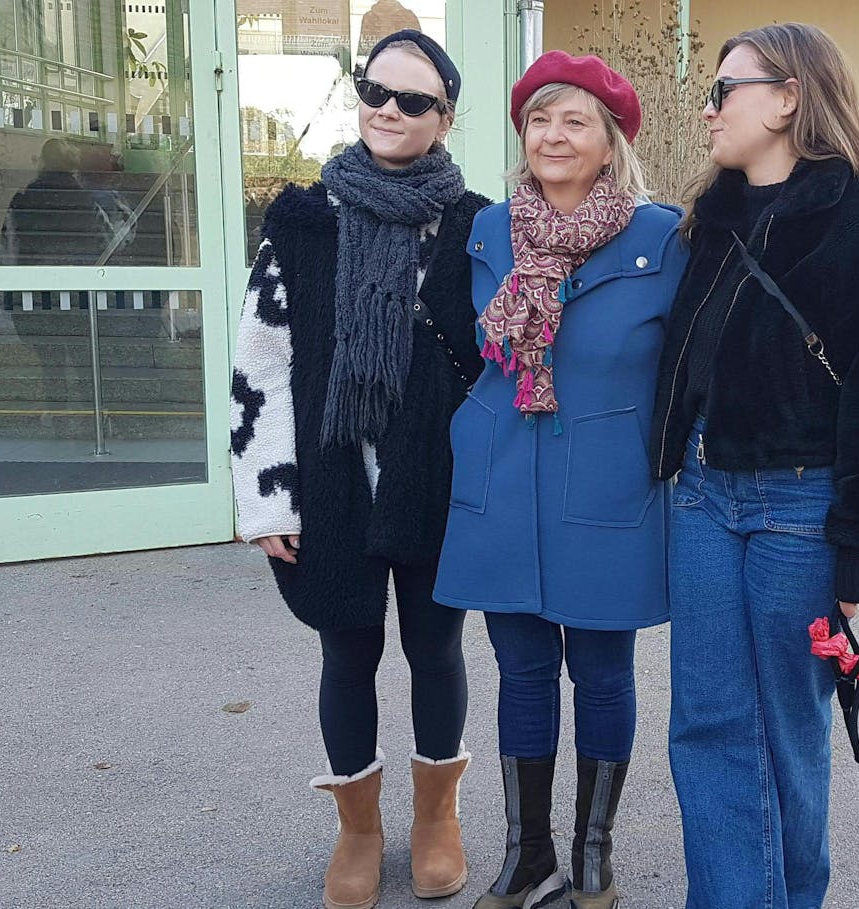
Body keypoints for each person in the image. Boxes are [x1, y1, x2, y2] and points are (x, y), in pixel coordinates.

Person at [648, 22, 859, 909]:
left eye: (724, 89)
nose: (707, 109)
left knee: (785, 731)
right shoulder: (712, 219)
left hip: (799, 512)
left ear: (788, 97)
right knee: (704, 726)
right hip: (701, 499)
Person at [228, 29, 489, 909]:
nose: (388, 108)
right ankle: (358, 828)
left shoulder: (473, 224)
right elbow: (259, 361)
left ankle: (434, 821)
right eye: (375, 89)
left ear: (444, 117)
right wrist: (266, 494)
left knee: (435, 647)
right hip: (334, 475)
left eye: (412, 100)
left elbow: (500, 357)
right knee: (348, 649)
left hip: (435, 478)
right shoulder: (304, 220)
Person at [433, 51, 687, 909]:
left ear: (610, 144)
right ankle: (527, 853)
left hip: (609, 487)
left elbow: (689, 369)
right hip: (504, 479)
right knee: (521, 669)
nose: (553, 134)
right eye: (540, 118)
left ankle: (593, 857)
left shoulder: (662, 237)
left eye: (575, 120)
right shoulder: (491, 231)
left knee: (605, 673)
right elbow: (469, 351)